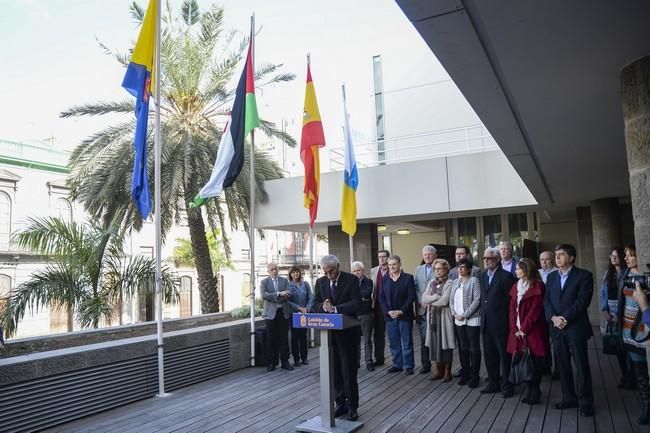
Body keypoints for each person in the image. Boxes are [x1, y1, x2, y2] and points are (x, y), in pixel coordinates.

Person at [544, 244, 595, 417]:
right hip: (556, 329)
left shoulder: (584, 276)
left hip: (575, 328)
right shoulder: (551, 277)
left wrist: (563, 318)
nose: (557, 257)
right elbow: (547, 301)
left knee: (581, 365)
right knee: (563, 365)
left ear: (571, 258)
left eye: (561, 254)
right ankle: (568, 397)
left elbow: (582, 302)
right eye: (556, 254)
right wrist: (553, 318)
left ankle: (586, 401)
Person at [313, 255, 361, 421]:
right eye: (325, 272)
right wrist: (323, 306)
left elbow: (357, 304)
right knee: (334, 371)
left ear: (338, 266)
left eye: (331, 271)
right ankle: (340, 403)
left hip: (348, 334)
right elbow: (314, 304)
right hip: (329, 335)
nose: (329, 275)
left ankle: (352, 406)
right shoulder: (321, 282)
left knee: (348, 371)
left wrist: (336, 309)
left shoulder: (352, 280)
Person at [507, 258, 550, 405]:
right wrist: (514, 329)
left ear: (527, 270)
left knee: (534, 361)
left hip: (533, 331)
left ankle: (535, 390)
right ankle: (529, 389)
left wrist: (524, 329)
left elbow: (535, 311)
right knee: (522, 360)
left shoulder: (538, 286)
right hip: (518, 332)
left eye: (519, 269)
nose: (516, 271)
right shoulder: (516, 286)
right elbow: (512, 309)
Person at [480, 247, 517, 397]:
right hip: (486, 323)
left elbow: (511, 302)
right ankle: (493, 383)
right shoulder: (482, 276)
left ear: (497, 260)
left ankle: (507, 385)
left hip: (501, 324)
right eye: (484, 258)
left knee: (504, 356)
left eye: (489, 258)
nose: (486, 261)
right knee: (489, 355)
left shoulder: (506, 276)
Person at [620, 245, 650, 425]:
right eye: (626, 255)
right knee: (639, 369)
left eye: (631, 255)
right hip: (628, 328)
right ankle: (647, 404)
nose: (627, 258)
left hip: (645, 327)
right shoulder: (625, 275)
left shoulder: (646, 275)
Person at [599, 247, 632, 388]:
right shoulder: (608, 274)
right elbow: (602, 294)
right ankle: (625, 376)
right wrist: (605, 313)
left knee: (630, 348)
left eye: (616, 256)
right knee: (618, 348)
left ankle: (633, 377)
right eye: (611, 256)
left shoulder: (628, 273)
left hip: (626, 311)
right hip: (611, 314)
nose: (613, 258)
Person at [380, 255, 416, 375]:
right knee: (394, 342)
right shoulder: (385, 279)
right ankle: (397, 364)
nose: (392, 267)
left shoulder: (408, 278)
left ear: (400, 264)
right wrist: (388, 311)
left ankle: (409, 366)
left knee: (407, 342)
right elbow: (381, 297)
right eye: (390, 265)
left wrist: (401, 311)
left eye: (394, 264)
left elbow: (411, 296)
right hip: (390, 316)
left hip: (404, 315)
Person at [422, 258, 455, 382]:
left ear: (446, 269)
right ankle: (438, 371)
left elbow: (445, 301)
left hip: (444, 317)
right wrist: (435, 296)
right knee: (435, 343)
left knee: (445, 344)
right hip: (433, 318)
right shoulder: (432, 282)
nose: (437, 271)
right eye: (435, 269)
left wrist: (432, 300)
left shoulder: (450, 283)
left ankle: (447, 372)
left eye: (440, 268)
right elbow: (424, 298)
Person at [450, 258, 482, 387]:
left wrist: (465, 314)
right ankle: (465, 374)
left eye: (463, 267)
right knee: (463, 348)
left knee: (474, 348)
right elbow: (451, 300)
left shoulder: (474, 281)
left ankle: (475, 376)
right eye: (459, 267)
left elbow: (477, 300)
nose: (460, 269)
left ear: (469, 269)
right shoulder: (455, 282)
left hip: (471, 319)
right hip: (458, 320)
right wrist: (455, 314)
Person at [260, 262, 293, 371]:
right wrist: (279, 294)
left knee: (284, 338)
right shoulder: (264, 282)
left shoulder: (284, 280)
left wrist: (281, 295)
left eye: (276, 269)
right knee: (271, 339)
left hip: (283, 312)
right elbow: (264, 295)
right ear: (268, 271)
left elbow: (289, 294)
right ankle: (272, 363)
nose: (274, 271)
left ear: (278, 270)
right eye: (272, 269)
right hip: (270, 315)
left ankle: (285, 362)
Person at [414, 245, 437, 374]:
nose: (427, 257)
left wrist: (431, 302)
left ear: (435, 255)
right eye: (425, 255)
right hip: (422, 309)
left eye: (430, 254)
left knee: (436, 338)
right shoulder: (418, 269)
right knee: (424, 338)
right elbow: (416, 287)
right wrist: (422, 300)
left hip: (436, 309)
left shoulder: (440, 267)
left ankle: (437, 364)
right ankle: (425, 364)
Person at [352, 261, 376, 371]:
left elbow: (367, 293)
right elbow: (349, 296)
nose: (357, 272)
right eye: (354, 271)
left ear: (363, 270)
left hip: (366, 314)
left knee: (367, 340)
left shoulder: (369, 281)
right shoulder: (349, 283)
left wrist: (356, 297)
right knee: (355, 340)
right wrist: (360, 298)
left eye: (359, 270)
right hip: (353, 316)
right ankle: (356, 362)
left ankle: (369, 362)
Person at [288, 265, 313, 367]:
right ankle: (296, 359)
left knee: (304, 336)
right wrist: (299, 308)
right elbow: (288, 301)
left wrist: (307, 308)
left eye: (297, 272)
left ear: (300, 273)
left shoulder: (305, 284)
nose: (295, 274)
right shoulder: (288, 286)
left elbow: (311, 298)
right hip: (294, 314)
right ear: (290, 275)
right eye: (293, 272)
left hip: (304, 314)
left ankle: (304, 358)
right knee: (295, 337)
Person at [369, 249, 390, 366]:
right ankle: (379, 359)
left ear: (388, 258)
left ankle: (398, 361)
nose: (381, 259)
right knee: (378, 334)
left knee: (393, 334)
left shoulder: (394, 269)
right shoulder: (373, 271)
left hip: (390, 306)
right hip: (377, 306)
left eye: (384, 256)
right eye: (379, 257)